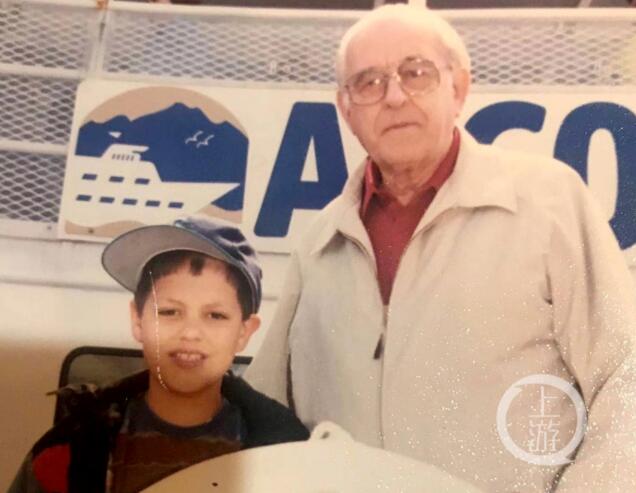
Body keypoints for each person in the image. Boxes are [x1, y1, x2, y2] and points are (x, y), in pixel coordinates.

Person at [244, 4, 636, 492]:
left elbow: (625, 372)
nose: (393, 97)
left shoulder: (548, 201)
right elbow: (266, 408)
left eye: (416, 73)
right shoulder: (319, 242)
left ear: (459, 88)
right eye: (368, 82)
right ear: (346, 110)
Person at [9, 216, 308, 493]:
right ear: (137, 320)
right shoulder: (67, 452)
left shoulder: (289, 457)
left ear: (244, 332)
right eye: (169, 312)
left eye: (215, 315)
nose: (190, 332)